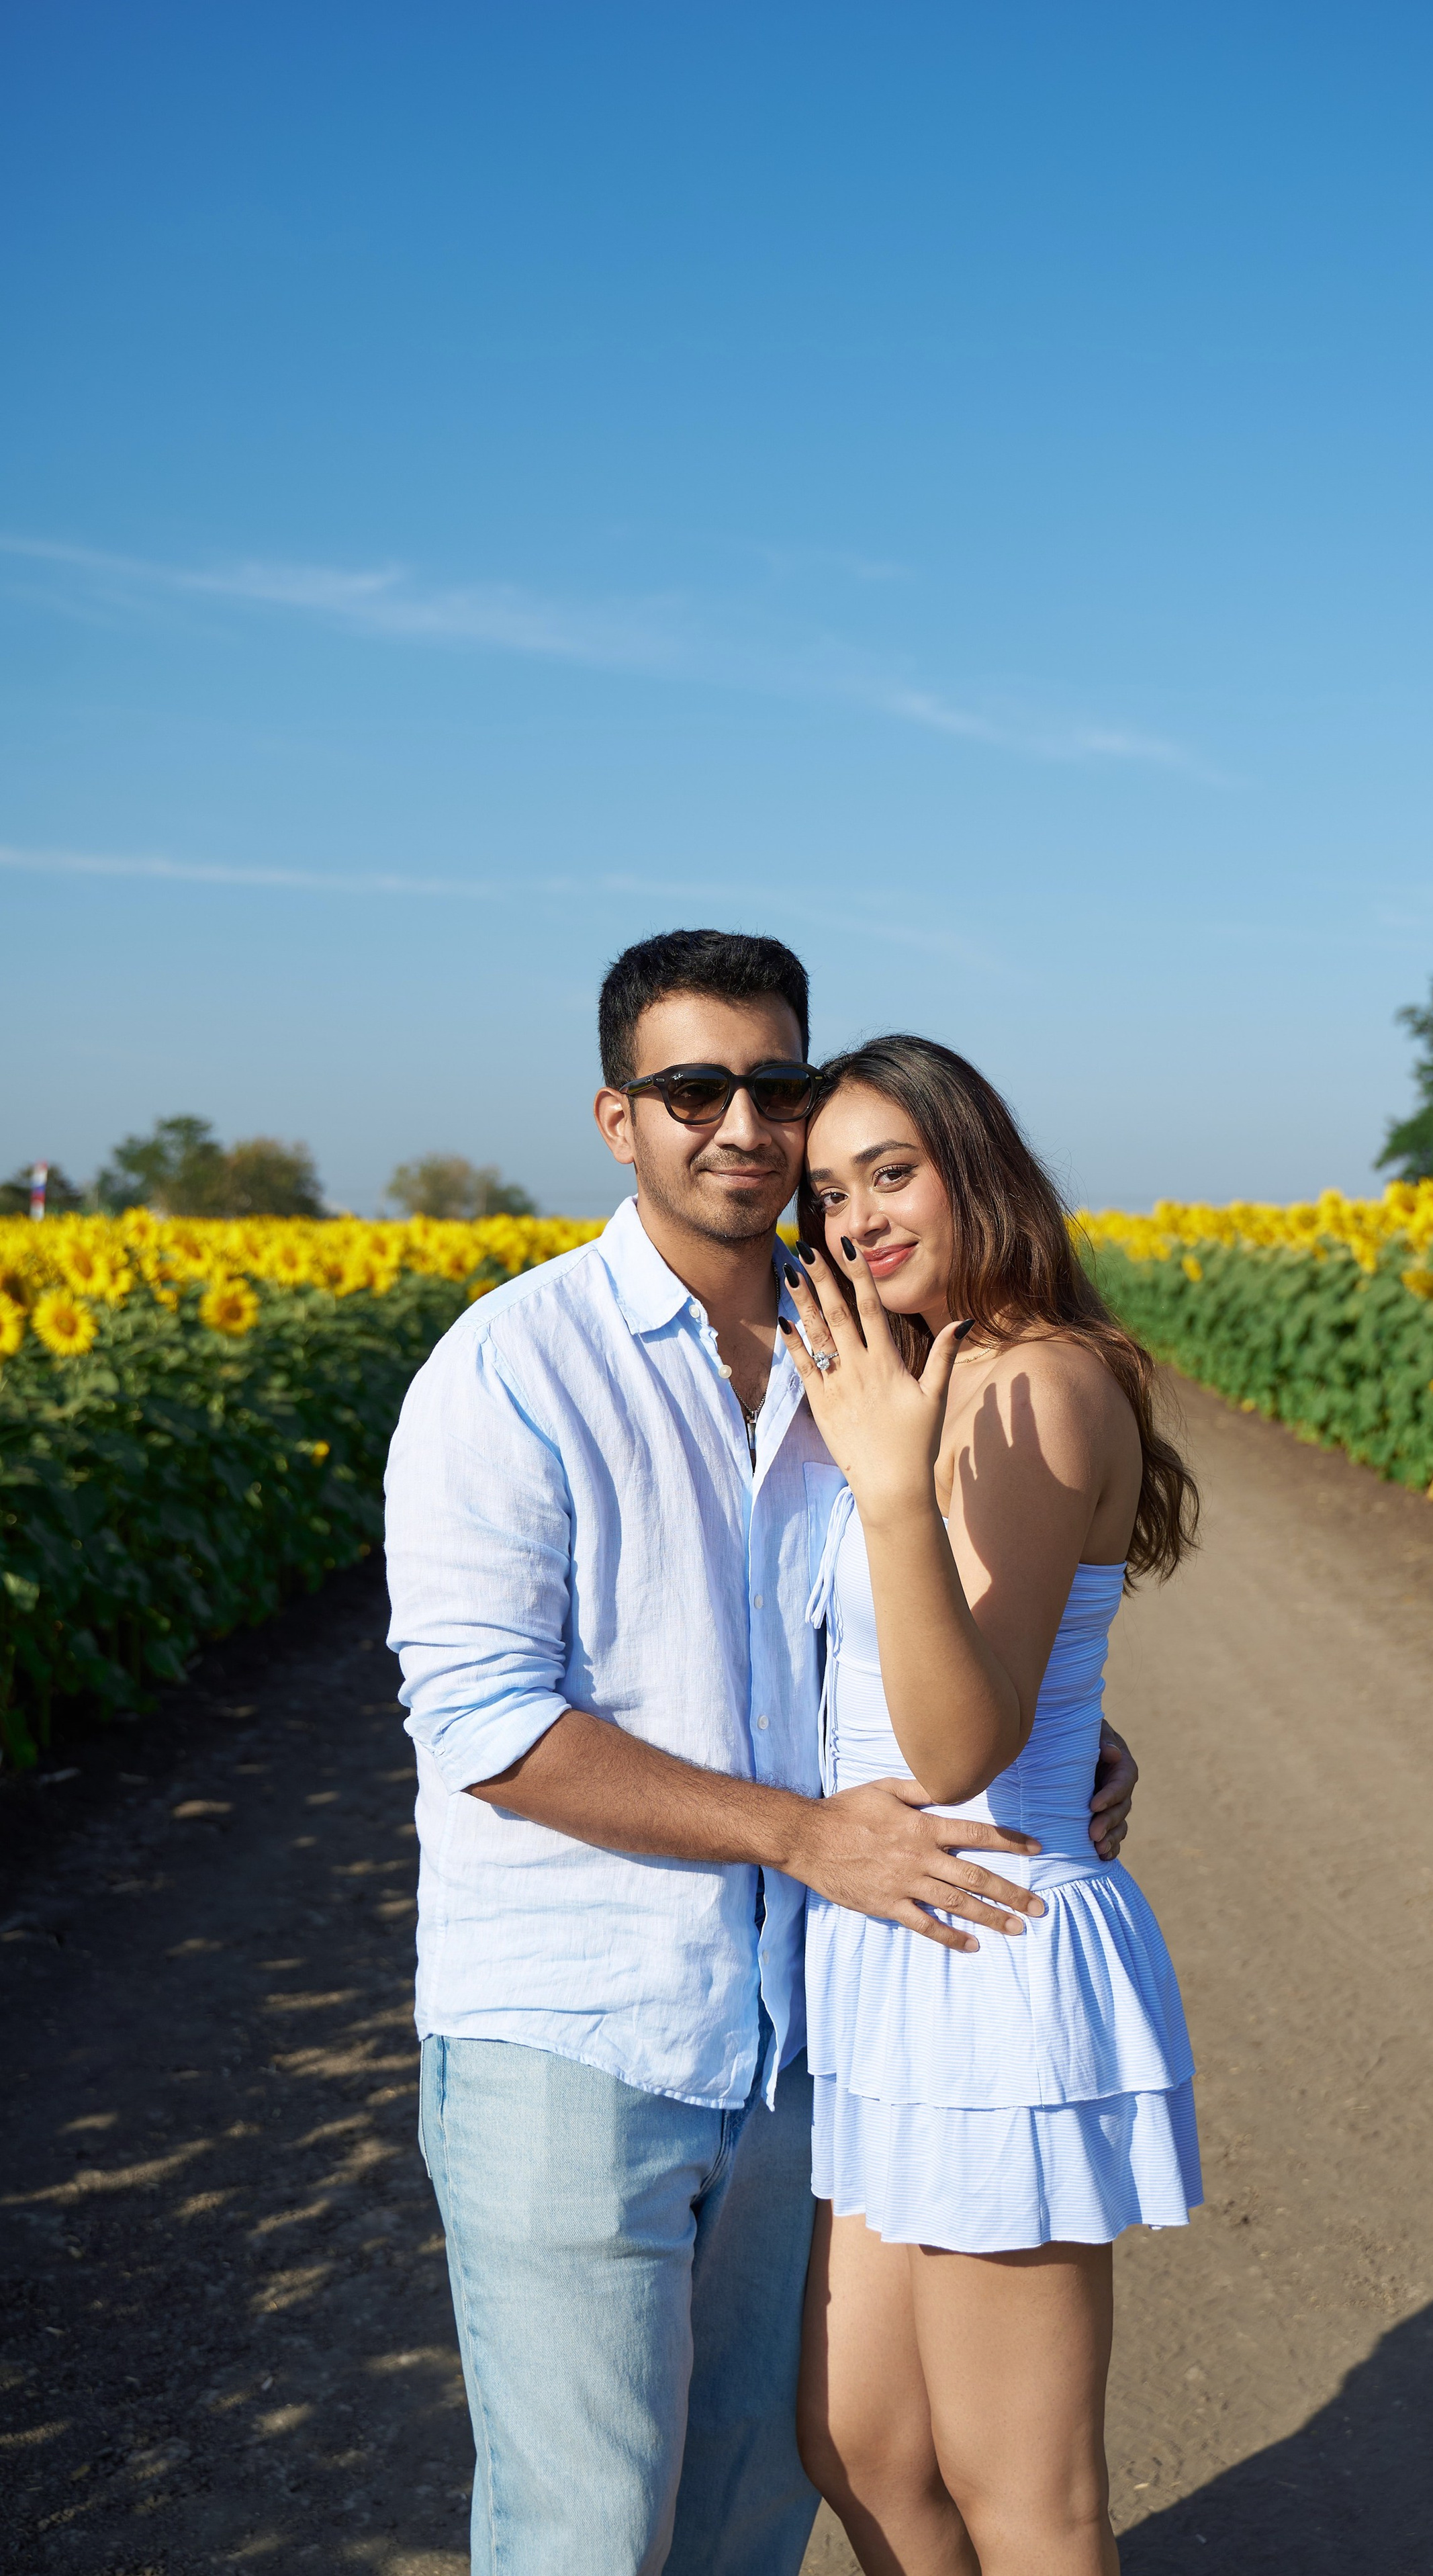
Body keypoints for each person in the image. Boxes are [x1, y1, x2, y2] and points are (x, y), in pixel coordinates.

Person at [383, 930, 1140, 2576]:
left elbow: (896, 1654)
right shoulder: (513, 1364)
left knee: (759, 2501)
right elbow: (483, 1721)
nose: (743, 1123)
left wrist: (1058, 1729)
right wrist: (807, 1832)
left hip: (808, 2023)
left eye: (773, 1086)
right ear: (616, 1118)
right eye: (691, 1087)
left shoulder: (853, 1365)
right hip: (584, 2026)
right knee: (591, 2529)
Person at [782, 1033, 1201, 2576]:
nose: (854, 1218)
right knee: (863, 2440)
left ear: (978, 1167)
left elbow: (955, 1743)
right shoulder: (917, 1367)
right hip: (894, 1932)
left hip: (991, 1930)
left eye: (891, 1173)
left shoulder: (1033, 1381)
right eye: (827, 1192)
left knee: (1022, 2492)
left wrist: (891, 1489)